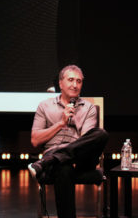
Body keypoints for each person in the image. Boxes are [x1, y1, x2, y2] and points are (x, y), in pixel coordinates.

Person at [28, 65, 108, 218]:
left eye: (79, 81)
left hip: (82, 158)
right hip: (56, 156)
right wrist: (61, 123)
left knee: (101, 134)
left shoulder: (89, 108)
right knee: (63, 167)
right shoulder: (45, 106)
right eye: (71, 80)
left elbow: (87, 142)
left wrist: (75, 119)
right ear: (61, 83)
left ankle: (47, 162)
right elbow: (35, 140)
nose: (75, 85)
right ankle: (55, 159)